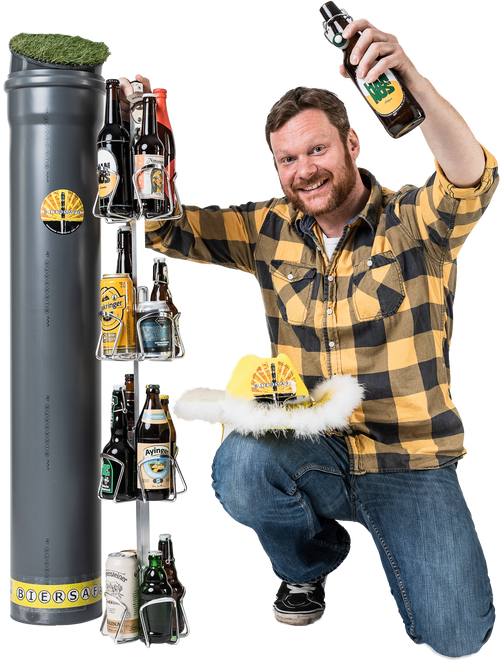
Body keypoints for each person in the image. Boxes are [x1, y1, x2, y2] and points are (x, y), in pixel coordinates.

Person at [119, 16, 499, 661]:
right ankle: (307, 567)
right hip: (309, 445)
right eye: (286, 159)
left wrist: (406, 74)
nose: (303, 172)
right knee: (241, 465)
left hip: (407, 459)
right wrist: (144, 129)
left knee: (458, 639)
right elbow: (166, 228)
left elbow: (470, 177)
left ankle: (367, 536)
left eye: (316, 150)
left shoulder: (412, 220)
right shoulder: (269, 226)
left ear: (354, 143)